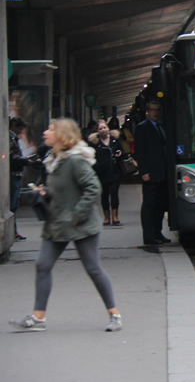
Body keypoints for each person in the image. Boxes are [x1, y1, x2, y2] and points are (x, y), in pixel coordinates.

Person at [8, 118, 122, 333]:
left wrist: (77, 214)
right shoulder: (55, 159)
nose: (46, 132)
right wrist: (43, 194)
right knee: (42, 265)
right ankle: (38, 317)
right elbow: (62, 191)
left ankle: (114, 314)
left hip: (81, 223)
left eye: (50, 129)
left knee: (93, 269)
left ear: (61, 135)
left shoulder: (75, 161)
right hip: (58, 222)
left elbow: (93, 188)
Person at [134, 101, 171, 245]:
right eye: (153, 110)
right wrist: (144, 171)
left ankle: (158, 233)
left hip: (163, 172)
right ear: (147, 112)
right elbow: (140, 152)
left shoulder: (161, 126)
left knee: (161, 205)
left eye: (158, 110)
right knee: (149, 205)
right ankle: (149, 236)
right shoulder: (142, 128)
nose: (155, 112)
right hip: (151, 173)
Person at [88, 120, 125, 226]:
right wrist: (96, 165)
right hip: (102, 172)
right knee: (104, 195)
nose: (103, 130)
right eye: (101, 129)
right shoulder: (95, 143)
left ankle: (115, 216)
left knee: (114, 193)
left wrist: (119, 153)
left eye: (104, 128)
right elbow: (90, 156)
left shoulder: (115, 140)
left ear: (108, 128)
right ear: (98, 131)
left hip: (114, 171)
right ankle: (106, 217)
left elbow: (122, 152)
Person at [9, 117, 30, 241]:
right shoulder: (10, 138)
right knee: (13, 204)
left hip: (15, 174)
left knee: (14, 204)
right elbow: (12, 157)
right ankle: (13, 231)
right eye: (19, 128)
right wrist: (27, 161)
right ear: (13, 126)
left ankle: (14, 231)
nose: (20, 132)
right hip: (13, 174)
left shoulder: (12, 138)